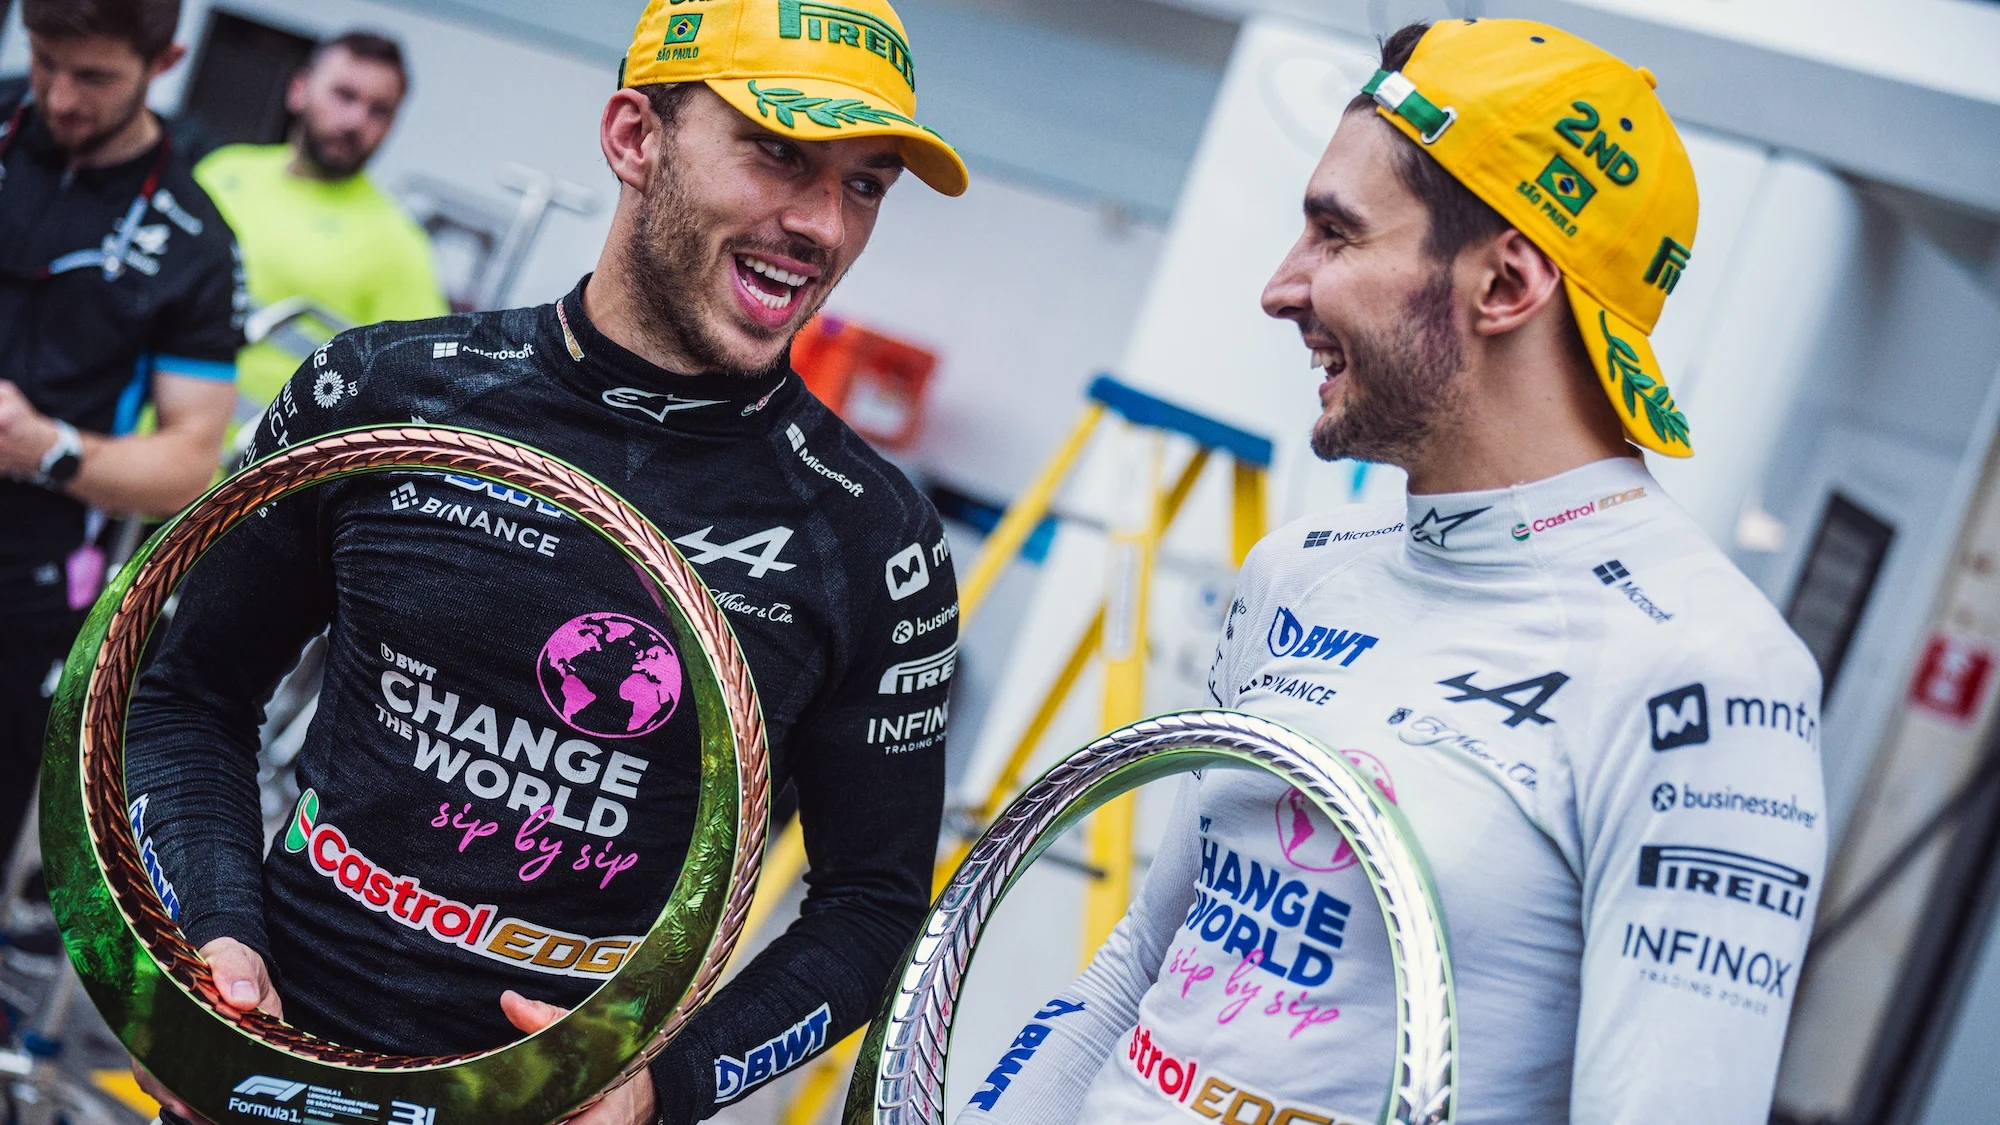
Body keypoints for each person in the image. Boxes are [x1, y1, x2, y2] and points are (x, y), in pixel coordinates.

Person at [956, 19, 1824, 1125]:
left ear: (1504, 282)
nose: (1280, 288)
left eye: (1335, 235)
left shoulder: (1710, 674)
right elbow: (1139, 967)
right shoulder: (1297, 574)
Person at [124, 0, 966, 1122]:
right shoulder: (384, 392)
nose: (821, 223)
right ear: (632, 136)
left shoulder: (873, 542)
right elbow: (187, 693)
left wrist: (662, 1088)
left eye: (863, 185)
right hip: (263, 1069)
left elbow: (870, 906)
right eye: (780, 153)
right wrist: (205, 953)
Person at [0, 0, 241, 888]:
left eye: (93, 76)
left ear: (165, 60)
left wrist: (46, 447)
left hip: (24, 574)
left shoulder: (194, 240)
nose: (59, 96)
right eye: (44, 62)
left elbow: (190, 463)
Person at [194, 30, 447, 411]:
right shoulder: (223, 172)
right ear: (299, 89)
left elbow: (421, 389)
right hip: (148, 441)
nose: (357, 120)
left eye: (379, 110)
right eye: (345, 95)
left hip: (261, 466)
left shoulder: (398, 245)